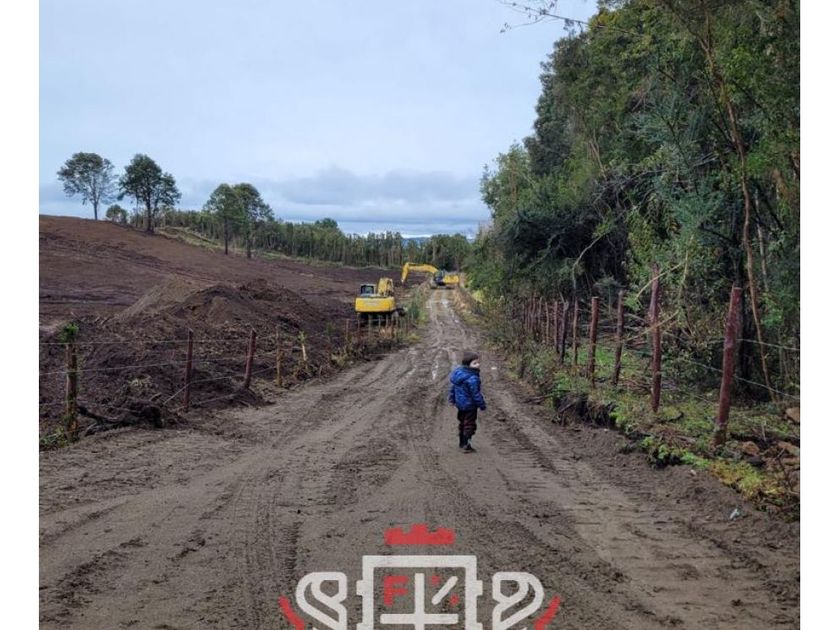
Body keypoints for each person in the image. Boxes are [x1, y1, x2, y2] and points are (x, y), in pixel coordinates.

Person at [448, 351, 486, 452]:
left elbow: (453, 388)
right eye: (475, 363)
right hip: (470, 406)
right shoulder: (473, 378)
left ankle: (461, 442)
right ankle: (467, 444)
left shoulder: (458, 374)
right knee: (469, 424)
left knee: (462, 422)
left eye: (478, 362)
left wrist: (452, 399)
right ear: (468, 365)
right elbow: (476, 394)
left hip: (460, 404)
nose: (478, 365)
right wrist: (482, 404)